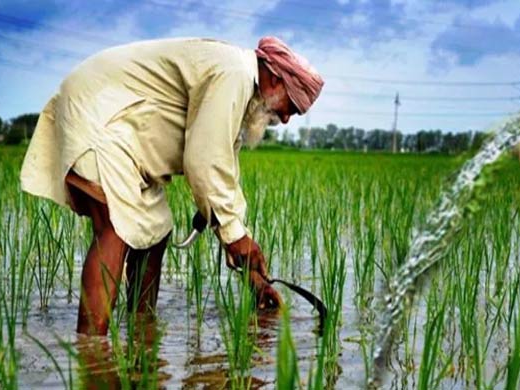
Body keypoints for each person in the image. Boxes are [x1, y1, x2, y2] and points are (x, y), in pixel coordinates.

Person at [19, 36, 324, 335]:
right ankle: (92, 351)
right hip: (100, 114)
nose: (285, 119)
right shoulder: (234, 75)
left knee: (156, 231)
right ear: (273, 78)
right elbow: (204, 161)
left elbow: (222, 178)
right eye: (292, 107)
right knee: (115, 228)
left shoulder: (238, 91)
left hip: (127, 139)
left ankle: (141, 332)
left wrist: (252, 274)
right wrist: (236, 238)